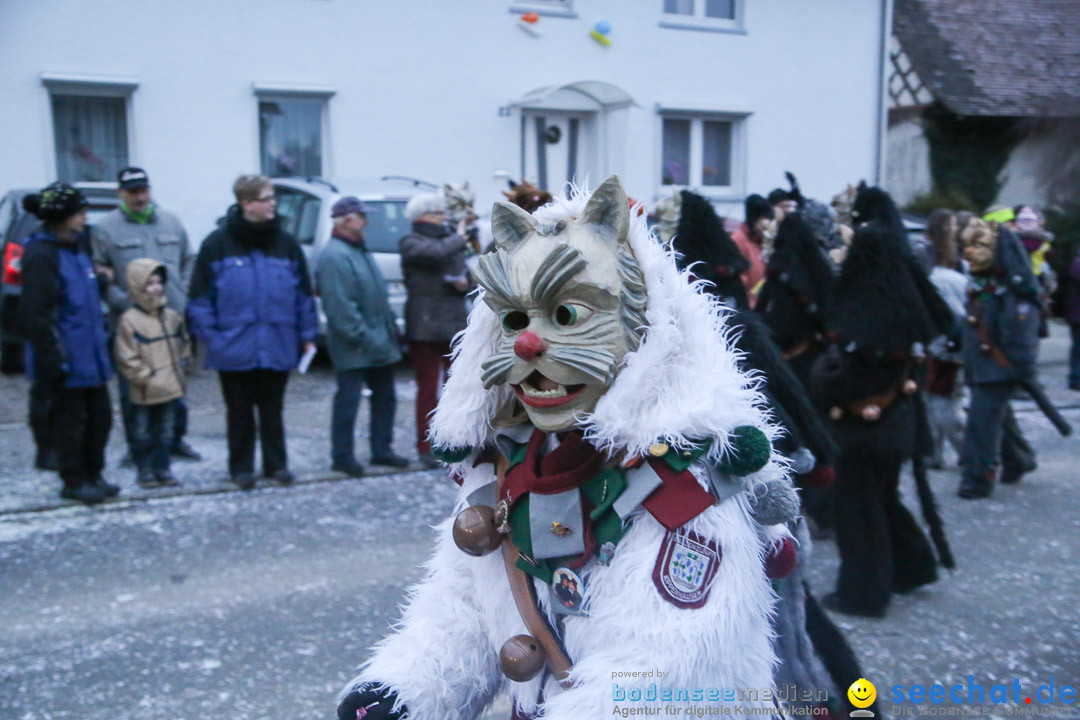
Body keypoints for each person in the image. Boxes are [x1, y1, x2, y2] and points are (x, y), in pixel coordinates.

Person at [337, 176, 797, 720]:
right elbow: (465, 606)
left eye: (568, 316)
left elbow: (667, 666)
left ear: (646, 329)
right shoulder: (508, 468)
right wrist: (405, 689)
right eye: (514, 320)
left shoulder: (686, 487)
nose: (529, 344)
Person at [811, 187, 953, 618]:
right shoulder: (903, 312)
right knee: (884, 499)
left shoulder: (865, 318)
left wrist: (825, 384)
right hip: (899, 424)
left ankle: (864, 593)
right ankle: (913, 566)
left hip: (864, 429)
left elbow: (846, 380)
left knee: (859, 512)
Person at [187, 175, 318, 490]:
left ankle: (277, 465)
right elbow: (199, 299)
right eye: (266, 197)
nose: (273, 203)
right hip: (234, 347)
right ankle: (241, 468)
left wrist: (307, 334)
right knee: (240, 413)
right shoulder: (216, 243)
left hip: (277, 342)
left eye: (273, 197)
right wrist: (214, 338)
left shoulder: (286, 244)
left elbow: (303, 296)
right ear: (246, 203)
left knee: (273, 411)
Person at [91, 167, 200, 464]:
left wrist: (182, 291)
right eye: (133, 191)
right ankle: (138, 446)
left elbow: (189, 258)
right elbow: (99, 272)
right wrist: (120, 301)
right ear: (120, 194)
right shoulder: (105, 229)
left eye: (143, 190)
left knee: (176, 379)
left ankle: (175, 439)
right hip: (132, 324)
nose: (140, 196)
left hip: (171, 318)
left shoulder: (171, 221)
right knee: (135, 387)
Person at [19, 183, 118, 505]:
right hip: (66, 360)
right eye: (80, 213)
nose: (85, 218)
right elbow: (37, 313)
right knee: (69, 426)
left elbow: (81, 297)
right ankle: (73, 479)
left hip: (92, 356)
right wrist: (53, 360)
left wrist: (101, 280)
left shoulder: (77, 247)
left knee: (100, 420)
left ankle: (94, 474)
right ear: (61, 217)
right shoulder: (40, 254)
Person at [316, 197, 409, 477]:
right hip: (355, 346)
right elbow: (340, 308)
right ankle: (342, 456)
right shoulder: (334, 256)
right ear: (345, 220)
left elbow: (376, 297)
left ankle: (382, 450)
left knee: (385, 398)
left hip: (377, 341)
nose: (366, 221)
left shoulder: (358, 250)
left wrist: (390, 331)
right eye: (361, 216)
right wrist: (365, 338)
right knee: (348, 401)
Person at [957, 219, 1040, 499]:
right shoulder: (983, 284)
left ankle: (977, 478)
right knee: (996, 416)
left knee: (981, 423)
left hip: (998, 367)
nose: (969, 252)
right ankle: (1019, 459)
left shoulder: (1012, 291)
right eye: (968, 245)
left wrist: (1023, 369)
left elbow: (1021, 334)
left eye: (978, 245)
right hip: (982, 366)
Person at [399, 192, 472, 468]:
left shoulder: (448, 241)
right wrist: (460, 237)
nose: (444, 218)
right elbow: (435, 253)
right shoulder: (411, 242)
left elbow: (463, 271)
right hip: (425, 328)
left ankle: (455, 440)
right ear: (424, 216)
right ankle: (425, 445)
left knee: (457, 388)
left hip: (452, 325)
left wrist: (465, 281)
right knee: (427, 390)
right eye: (439, 213)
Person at [113, 260, 190, 487]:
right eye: (149, 284)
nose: (156, 288)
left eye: (159, 283)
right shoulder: (130, 320)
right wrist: (144, 377)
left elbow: (183, 344)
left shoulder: (172, 317)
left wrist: (183, 367)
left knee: (165, 432)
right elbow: (126, 356)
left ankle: (163, 469)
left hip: (169, 387)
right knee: (142, 433)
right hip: (145, 390)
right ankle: (144, 470)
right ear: (137, 287)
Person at [923, 209, 967, 468]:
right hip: (934, 344)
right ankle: (934, 453)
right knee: (932, 404)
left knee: (944, 407)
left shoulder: (951, 276)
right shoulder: (940, 270)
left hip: (947, 347)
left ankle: (970, 454)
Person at [730, 194, 774, 307]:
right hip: (749, 304)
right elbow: (740, 276)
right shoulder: (738, 240)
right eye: (762, 223)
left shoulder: (765, 240)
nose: (766, 227)